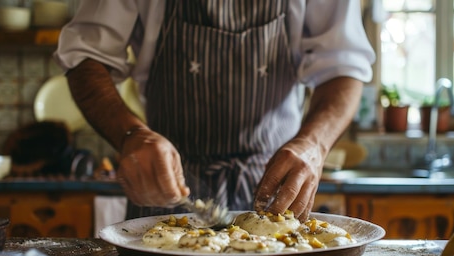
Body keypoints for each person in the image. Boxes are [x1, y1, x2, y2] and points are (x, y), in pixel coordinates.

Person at [55, 1, 375, 221]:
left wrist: (313, 145)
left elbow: (343, 66)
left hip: (275, 187)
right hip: (165, 189)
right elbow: (85, 56)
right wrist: (130, 136)